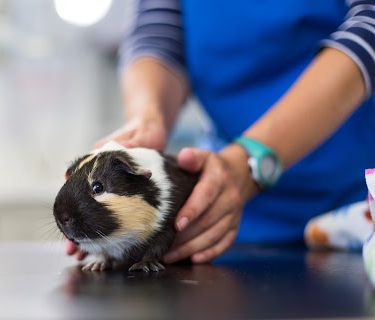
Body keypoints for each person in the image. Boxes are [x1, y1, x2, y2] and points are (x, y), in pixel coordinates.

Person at [67, 0, 375, 264]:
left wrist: (252, 160)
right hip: (221, 221)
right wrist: (147, 119)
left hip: (357, 212)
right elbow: (159, 30)